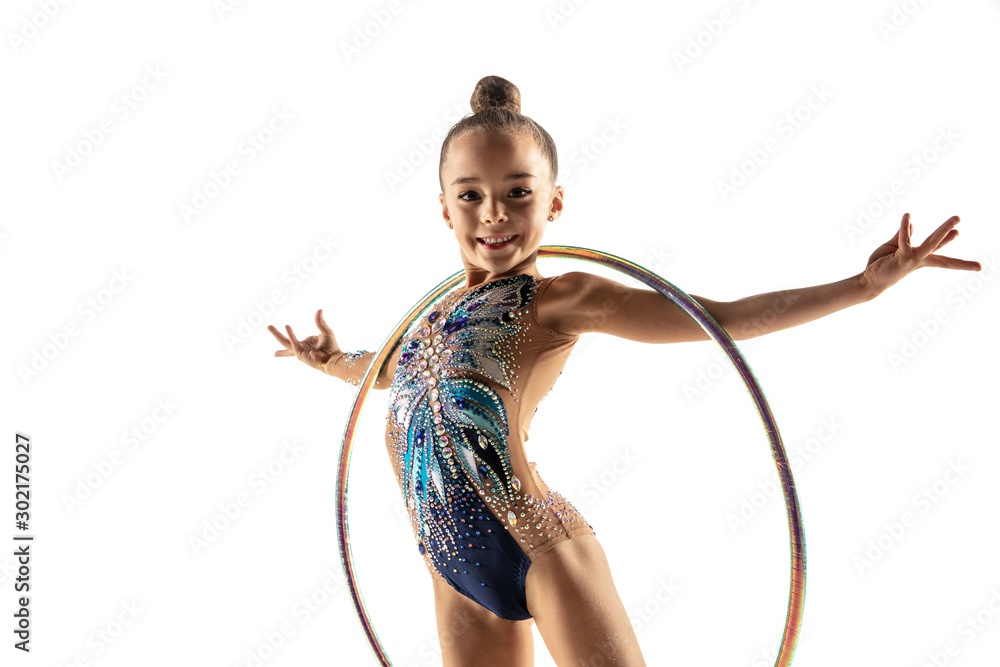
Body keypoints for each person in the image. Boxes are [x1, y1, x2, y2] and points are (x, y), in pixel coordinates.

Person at [267, 75, 981, 666]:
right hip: (452, 575)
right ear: (444, 205)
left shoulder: (561, 298)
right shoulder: (427, 321)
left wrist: (861, 286)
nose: (494, 213)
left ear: (554, 202)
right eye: (471, 193)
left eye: (519, 192)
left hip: (542, 550)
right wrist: (332, 361)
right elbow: (390, 372)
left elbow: (721, 317)